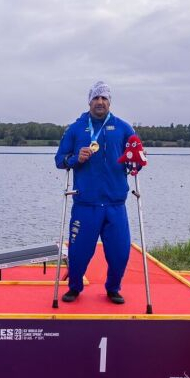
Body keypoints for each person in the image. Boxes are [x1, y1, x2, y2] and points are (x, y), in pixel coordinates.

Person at [55, 81, 137, 304]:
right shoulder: (76, 128)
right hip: (86, 204)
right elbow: (59, 161)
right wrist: (75, 159)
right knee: (79, 253)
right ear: (89, 101)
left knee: (120, 253)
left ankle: (113, 288)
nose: (100, 102)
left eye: (104, 98)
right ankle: (74, 287)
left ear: (110, 102)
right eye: (96, 98)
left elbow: (136, 156)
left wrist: (137, 162)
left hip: (115, 204)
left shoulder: (123, 128)